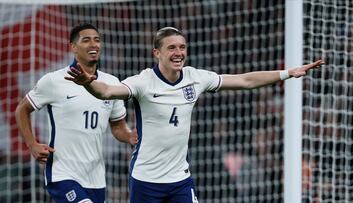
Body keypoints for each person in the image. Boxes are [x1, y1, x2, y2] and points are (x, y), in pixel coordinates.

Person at [65, 26, 325, 203]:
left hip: (180, 179)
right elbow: (108, 91)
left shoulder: (195, 78)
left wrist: (286, 73)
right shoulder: (143, 82)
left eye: (182, 47)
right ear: (157, 53)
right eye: (172, 48)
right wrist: (88, 82)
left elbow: (244, 80)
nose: (179, 53)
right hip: (146, 179)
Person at [15, 22, 138, 203]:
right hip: (62, 173)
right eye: (86, 40)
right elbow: (22, 109)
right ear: (73, 47)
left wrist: (129, 136)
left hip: (95, 177)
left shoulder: (111, 83)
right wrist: (32, 144)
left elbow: (118, 126)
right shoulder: (54, 81)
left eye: (97, 40)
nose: (93, 44)